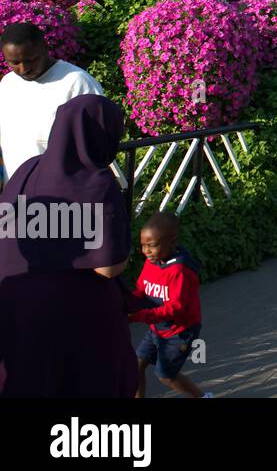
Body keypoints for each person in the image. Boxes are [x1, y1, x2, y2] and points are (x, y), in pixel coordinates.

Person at [0, 95, 137, 397]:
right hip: (75, 315)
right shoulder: (98, 183)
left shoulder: (26, 169)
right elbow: (108, 267)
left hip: (13, 305)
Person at [0, 23, 105, 184]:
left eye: (31, 60)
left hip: (63, 194)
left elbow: (97, 142)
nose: (23, 69)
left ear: (45, 46)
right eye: (14, 62)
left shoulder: (77, 82)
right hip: (16, 192)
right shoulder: (7, 84)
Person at [130, 212, 207, 398]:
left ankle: (203, 397)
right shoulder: (152, 262)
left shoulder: (180, 271)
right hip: (158, 328)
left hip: (179, 333)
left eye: (152, 245)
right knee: (135, 365)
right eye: (143, 245)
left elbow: (175, 308)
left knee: (166, 376)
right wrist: (127, 303)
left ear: (172, 242)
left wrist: (138, 316)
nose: (145, 251)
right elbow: (141, 288)